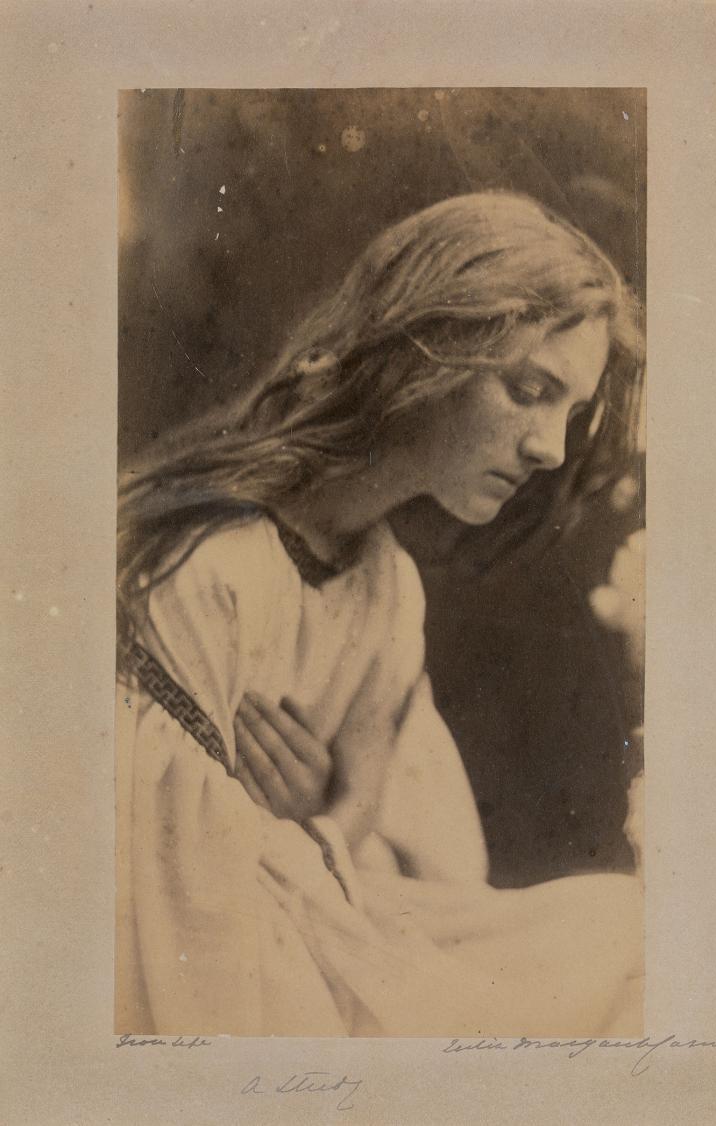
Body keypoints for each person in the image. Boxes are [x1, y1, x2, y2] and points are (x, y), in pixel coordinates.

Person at [116, 191, 645, 1037]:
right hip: (218, 945)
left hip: (325, 902)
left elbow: (389, 820)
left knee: (629, 932)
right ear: (425, 355)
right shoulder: (210, 565)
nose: (550, 447)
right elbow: (174, 894)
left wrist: (318, 816)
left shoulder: (387, 585)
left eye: (570, 413)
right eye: (528, 390)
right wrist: (293, 831)